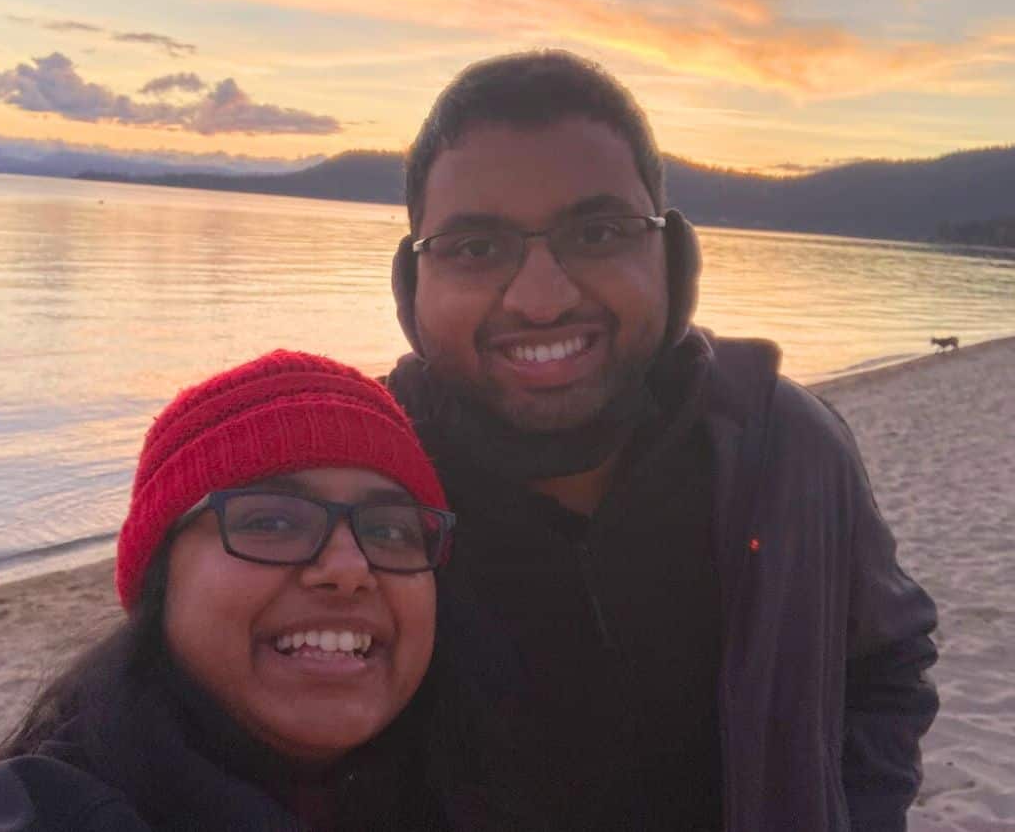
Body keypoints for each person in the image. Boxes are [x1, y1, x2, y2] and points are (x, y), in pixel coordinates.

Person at [386, 50, 940, 832]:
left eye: (599, 232)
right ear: (411, 285)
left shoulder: (787, 452)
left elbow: (888, 661)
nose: (541, 300)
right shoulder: (355, 486)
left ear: (673, 255)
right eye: (476, 248)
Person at [0, 351, 502, 831]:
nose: (349, 566)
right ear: (161, 580)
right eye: (270, 520)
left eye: (389, 530)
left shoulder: (502, 791)